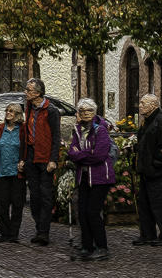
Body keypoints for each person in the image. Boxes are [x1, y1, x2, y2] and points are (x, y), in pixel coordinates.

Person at [67, 98, 114, 262]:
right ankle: (87, 246)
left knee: (93, 212)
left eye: (89, 110)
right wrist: (85, 154)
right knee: (82, 212)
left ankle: (102, 247)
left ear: (95, 112)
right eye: (82, 111)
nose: (85, 113)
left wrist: (80, 155)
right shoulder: (77, 129)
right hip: (84, 176)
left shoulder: (101, 130)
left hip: (101, 176)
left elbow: (99, 155)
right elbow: (70, 153)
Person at [17, 78, 60, 246]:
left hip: (45, 157)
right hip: (31, 157)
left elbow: (56, 137)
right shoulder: (28, 107)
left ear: (37, 93)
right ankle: (39, 227)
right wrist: (22, 158)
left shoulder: (51, 110)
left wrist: (53, 159)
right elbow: (25, 136)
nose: (25, 92)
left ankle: (44, 232)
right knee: (34, 196)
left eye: (28, 90)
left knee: (45, 195)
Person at [133, 94, 162, 247]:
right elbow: (146, 142)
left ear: (153, 106)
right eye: (141, 103)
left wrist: (157, 163)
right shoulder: (147, 121)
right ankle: (147, 234)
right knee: (144, 203)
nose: (140, 106)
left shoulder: (161, 121)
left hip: (154, 170)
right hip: (145, 168)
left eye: (143, 103)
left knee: (158, 203)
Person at [0, 103, 25, 244]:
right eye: (7, 111)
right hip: (2, 173)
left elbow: (26, 149)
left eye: (12, 111)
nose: (8, 113)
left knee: (17, 204)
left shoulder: (22, 130)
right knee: (1, 205)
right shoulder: (0, 129)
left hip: (17, 174)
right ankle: (5, 232)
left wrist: (24, 162)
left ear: (18, 114)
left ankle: (13, 233)